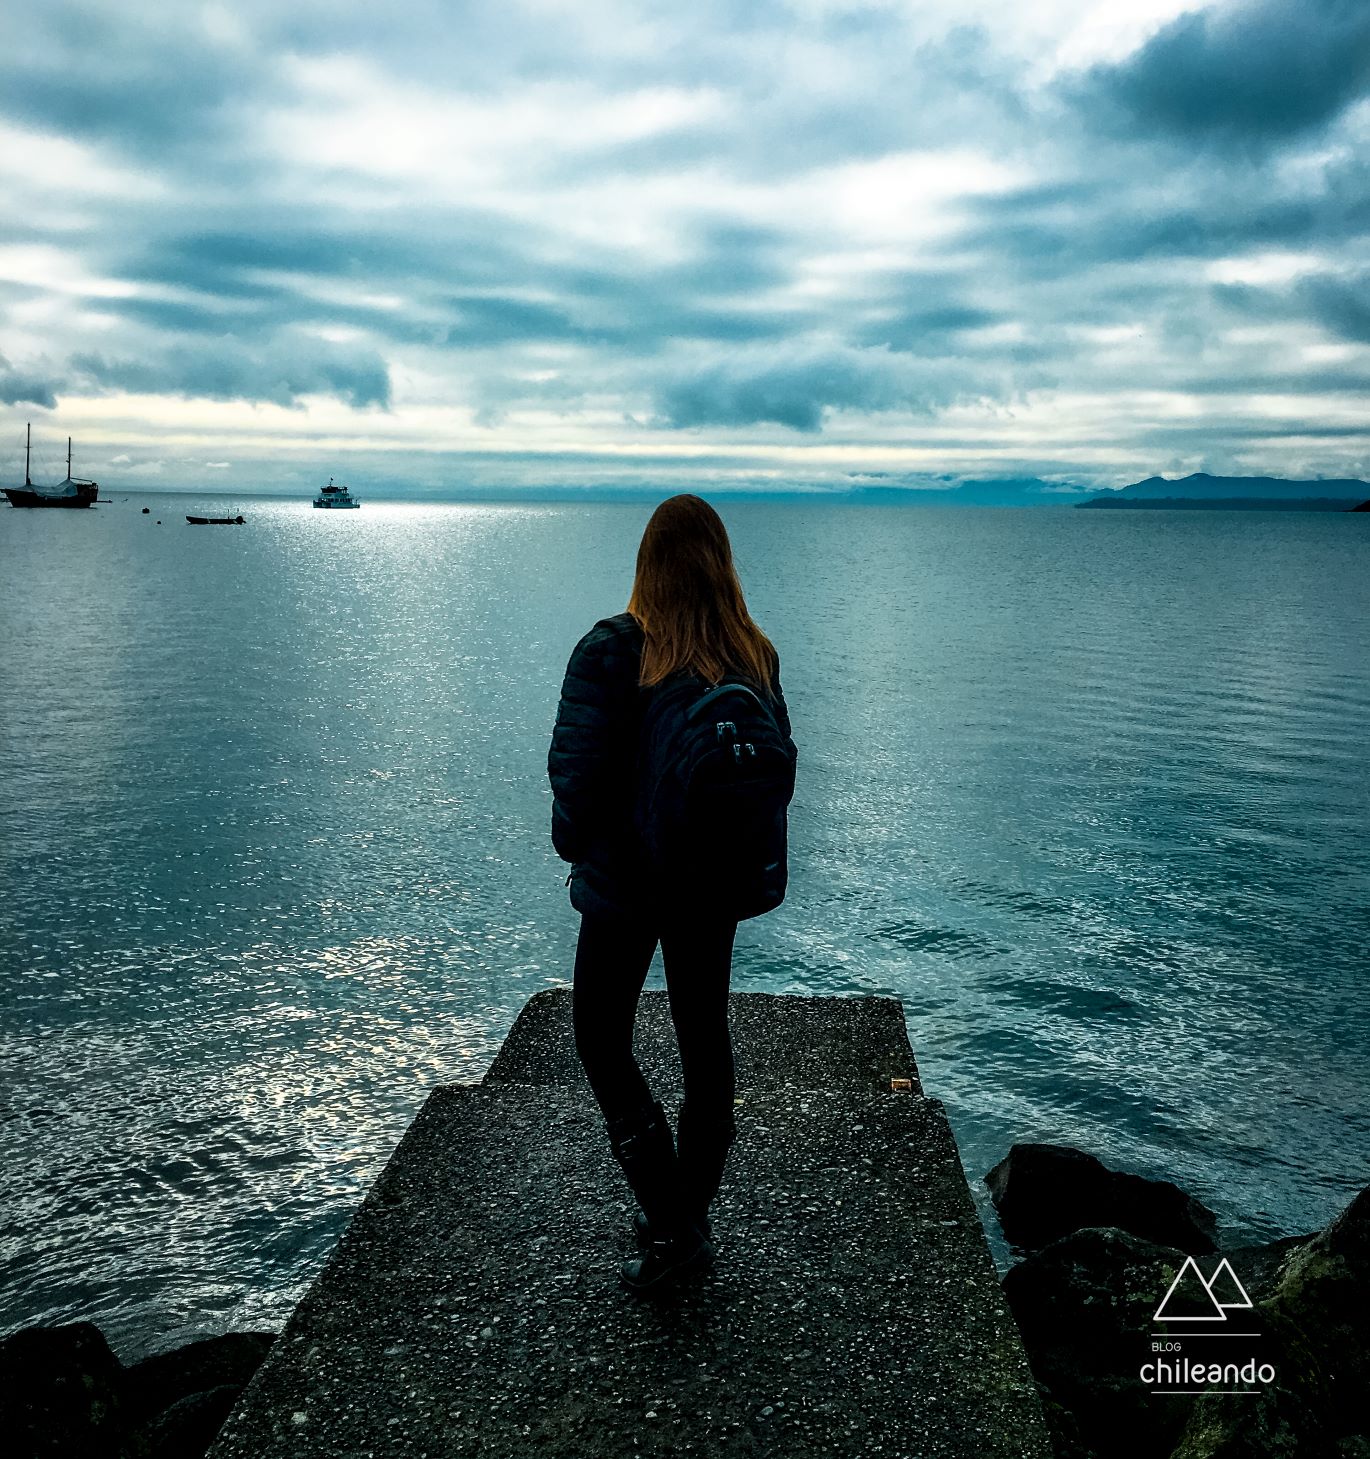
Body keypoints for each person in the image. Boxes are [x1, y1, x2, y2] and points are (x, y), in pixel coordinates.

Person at [547, 493, 795, 1292]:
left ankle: (672, 1225)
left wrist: (573, 845)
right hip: (713, 882)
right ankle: (688, 1212)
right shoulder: (753, 652)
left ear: (646, 563)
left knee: (602, 1039)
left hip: (627, 882)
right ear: (723, 565)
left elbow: (576, 773)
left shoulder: (613, 649)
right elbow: (777, 769)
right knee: (703, 1036)